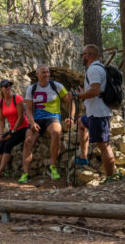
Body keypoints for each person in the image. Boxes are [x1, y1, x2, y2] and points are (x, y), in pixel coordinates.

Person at [18, 65, 72, 184]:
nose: (46, 75)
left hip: (52, 118)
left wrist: (71, 117)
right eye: (43, 72)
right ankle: (25, 173)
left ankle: (52, 167)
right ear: (37, 75)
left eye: (47, 72)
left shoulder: (56, 86)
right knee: (28, 141)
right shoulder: (31, 89)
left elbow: (71, 102)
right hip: (36, 119)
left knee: (56, 132)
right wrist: (32, 123)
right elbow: (28, 110)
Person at [73, 44, 115, 177]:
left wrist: (78, 95)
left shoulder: (93, 70)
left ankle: (110, 178)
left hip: (98, 114)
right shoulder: (98, 68)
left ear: (89, 55)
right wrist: (83, 92)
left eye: (83, 55)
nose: (82, 57)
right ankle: (83, 156)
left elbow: (95, 90)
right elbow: (95, 89)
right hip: (94, 113)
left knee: (103, 145)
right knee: (81, 122)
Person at [0, 79, 29, 178]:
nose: (8, 88)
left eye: (9, 86)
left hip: (23, 127)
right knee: (2, 143)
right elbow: (1, 120)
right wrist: (1, 134)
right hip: (13, 129)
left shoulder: (17, 99)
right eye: (6, 86)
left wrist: (12, 132)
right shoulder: (0, 102)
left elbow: (21, 117)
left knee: (8, 144)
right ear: (1, 89)